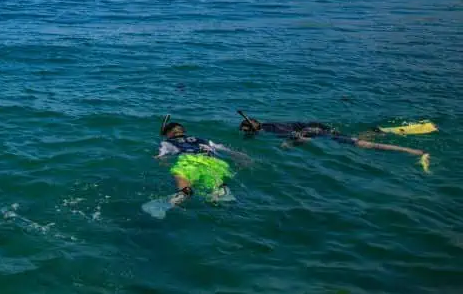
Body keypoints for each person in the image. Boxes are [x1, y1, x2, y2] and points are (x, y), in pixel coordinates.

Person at [237, 112, 430, 172]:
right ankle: (376, 131)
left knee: (362, 145)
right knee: (354, 138)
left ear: (255, 131)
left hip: (316, 132)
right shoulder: (270, 124)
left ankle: (415, 152)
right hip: (319, 127)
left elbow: (303, 137)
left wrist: (287, 146)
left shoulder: (273, 132)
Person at [143, 115, 248, 218]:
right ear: (183, 131)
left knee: (182, 178)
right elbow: (227, 150)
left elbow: (161, 156)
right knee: (214, 182)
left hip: (189, 161)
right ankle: (220, 191)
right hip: (211, 161)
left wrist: (160, 161)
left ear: (169, 133)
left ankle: (184, 192)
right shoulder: (204, 140)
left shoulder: (167, 142)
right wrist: (243, 158)